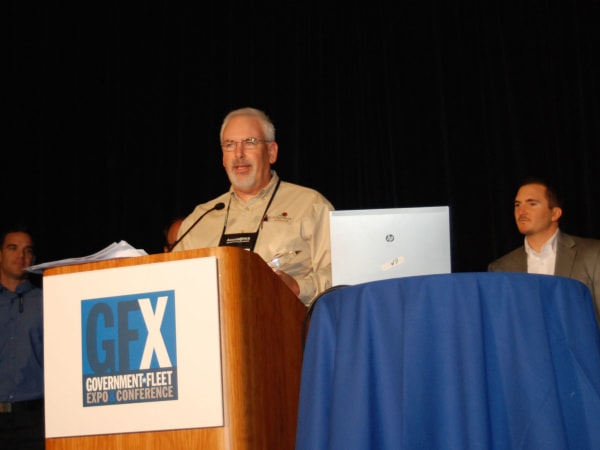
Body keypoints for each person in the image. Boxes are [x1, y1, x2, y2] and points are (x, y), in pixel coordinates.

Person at [175, 107, 335, 305]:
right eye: (230, 144)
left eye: (250, 142)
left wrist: (298, 287)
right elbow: (174, 282)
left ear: (271, 152)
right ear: (223, 157)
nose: (239, 154)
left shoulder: (310, 205)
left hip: (288, 321)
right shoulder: (200, 219)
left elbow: (340, 273)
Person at [488, 177, 600, 325]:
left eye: (532, 204)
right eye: (517, 205)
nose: (521, 211)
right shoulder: (501, 268)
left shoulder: (593, 254)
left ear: (555, 213)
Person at [0, 224, 45, 450]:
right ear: (0, 254)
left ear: (33, 258)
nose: (21, 255)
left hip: (34, 420)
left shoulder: (48, 300)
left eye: (27, 250)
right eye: (13, 248)